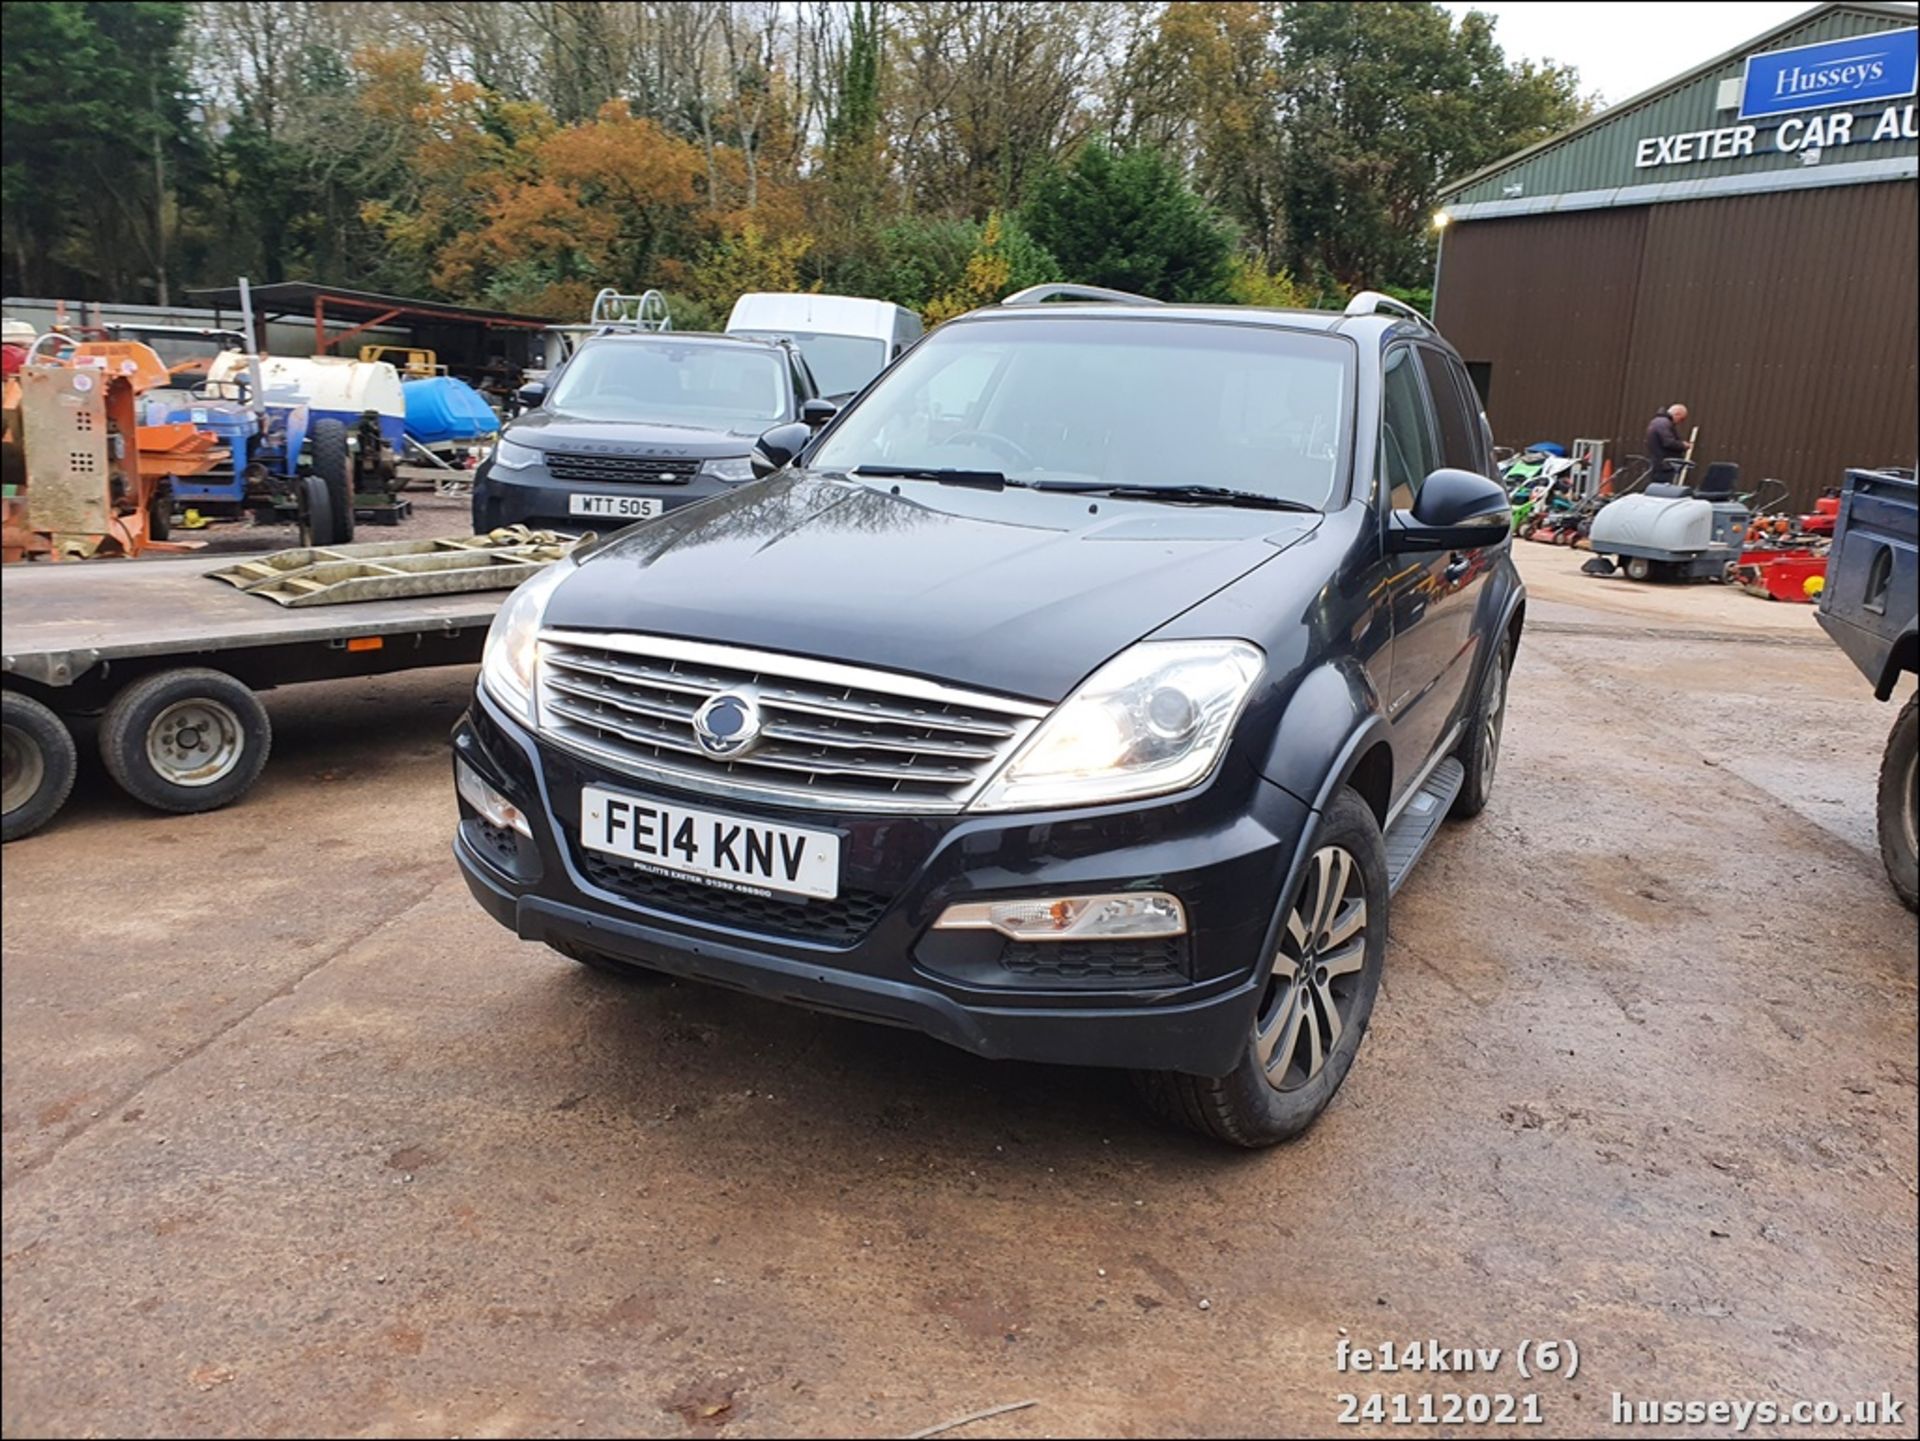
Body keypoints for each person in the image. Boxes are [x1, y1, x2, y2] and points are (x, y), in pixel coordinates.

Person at [1646, 403, 1691, 484]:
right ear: (1677, 414)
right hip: (1665, 464)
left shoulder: (1658, 422)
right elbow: (1668, 442)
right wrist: (1683, 445)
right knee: (1663, 489)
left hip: (1658, 462)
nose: (1680, 422)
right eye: (1681, 419)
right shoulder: (1664, 423)